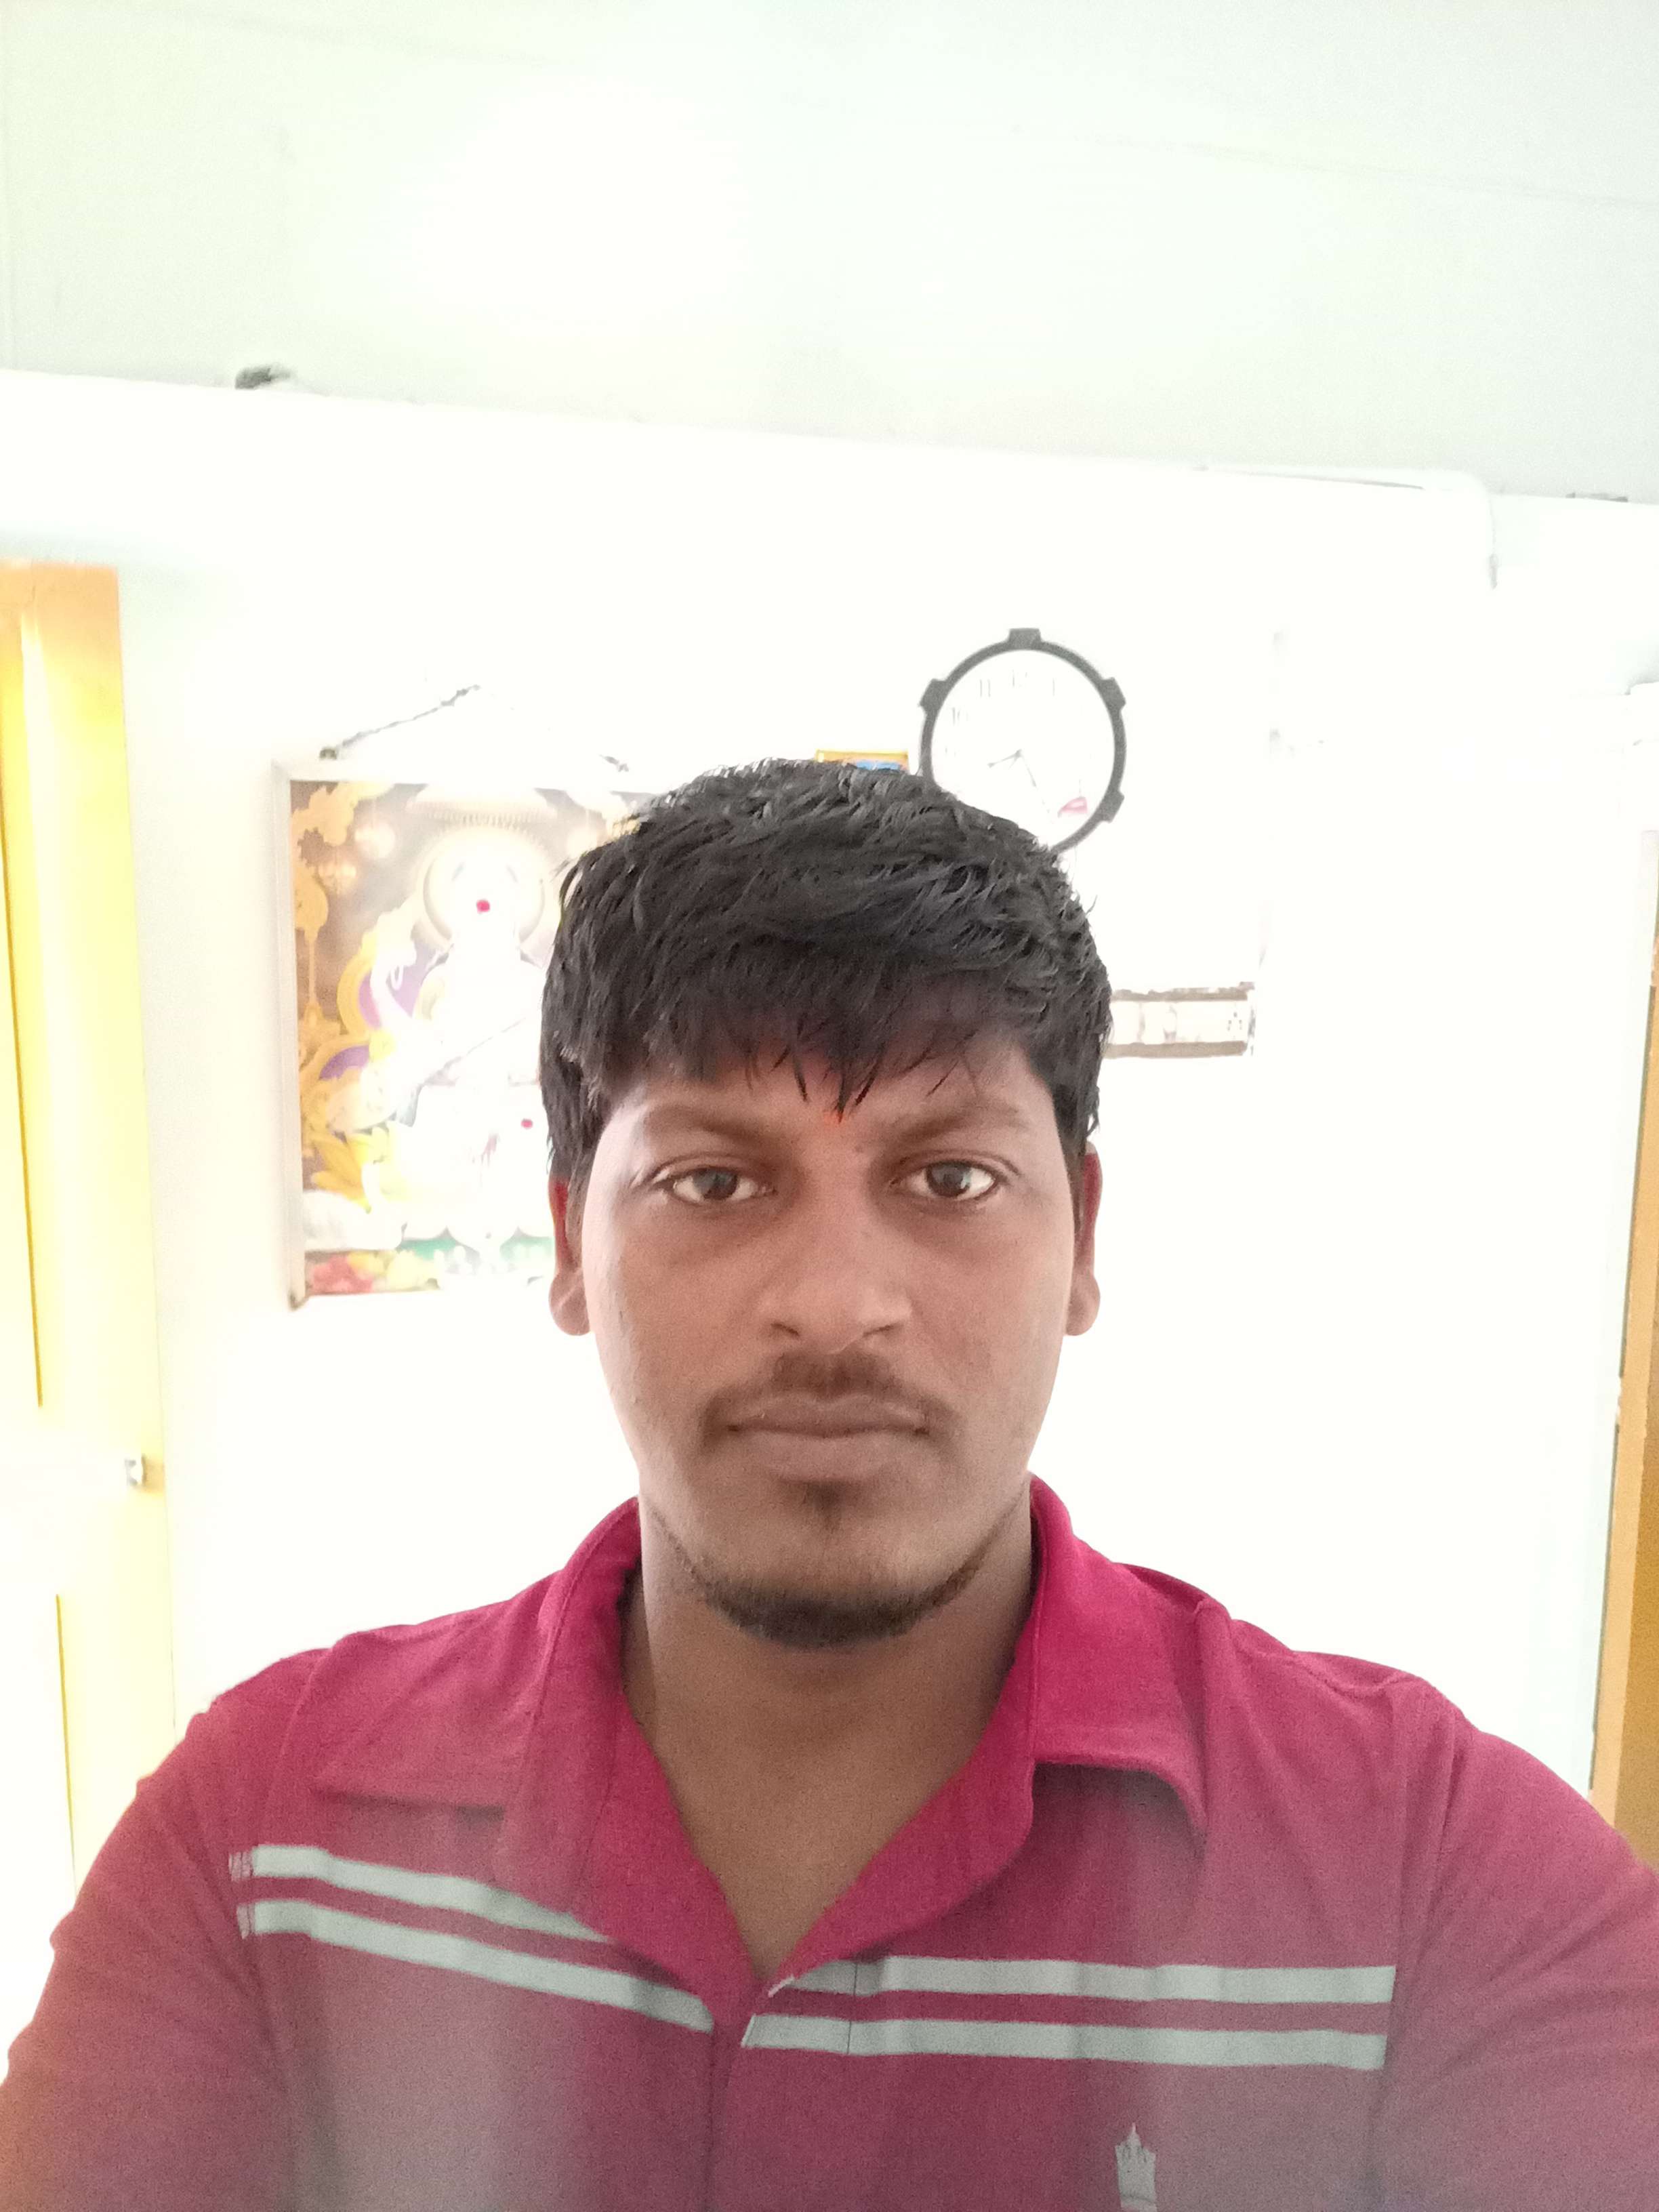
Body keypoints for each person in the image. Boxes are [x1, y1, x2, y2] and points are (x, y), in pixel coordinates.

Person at [3, 758, 1656, 2211]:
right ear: (571, 1238)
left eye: (951, 1177)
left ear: (1083, 1235)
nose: (838, 1305)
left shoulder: (1437, 1879)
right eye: (716, 1183)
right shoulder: (266, 1837)